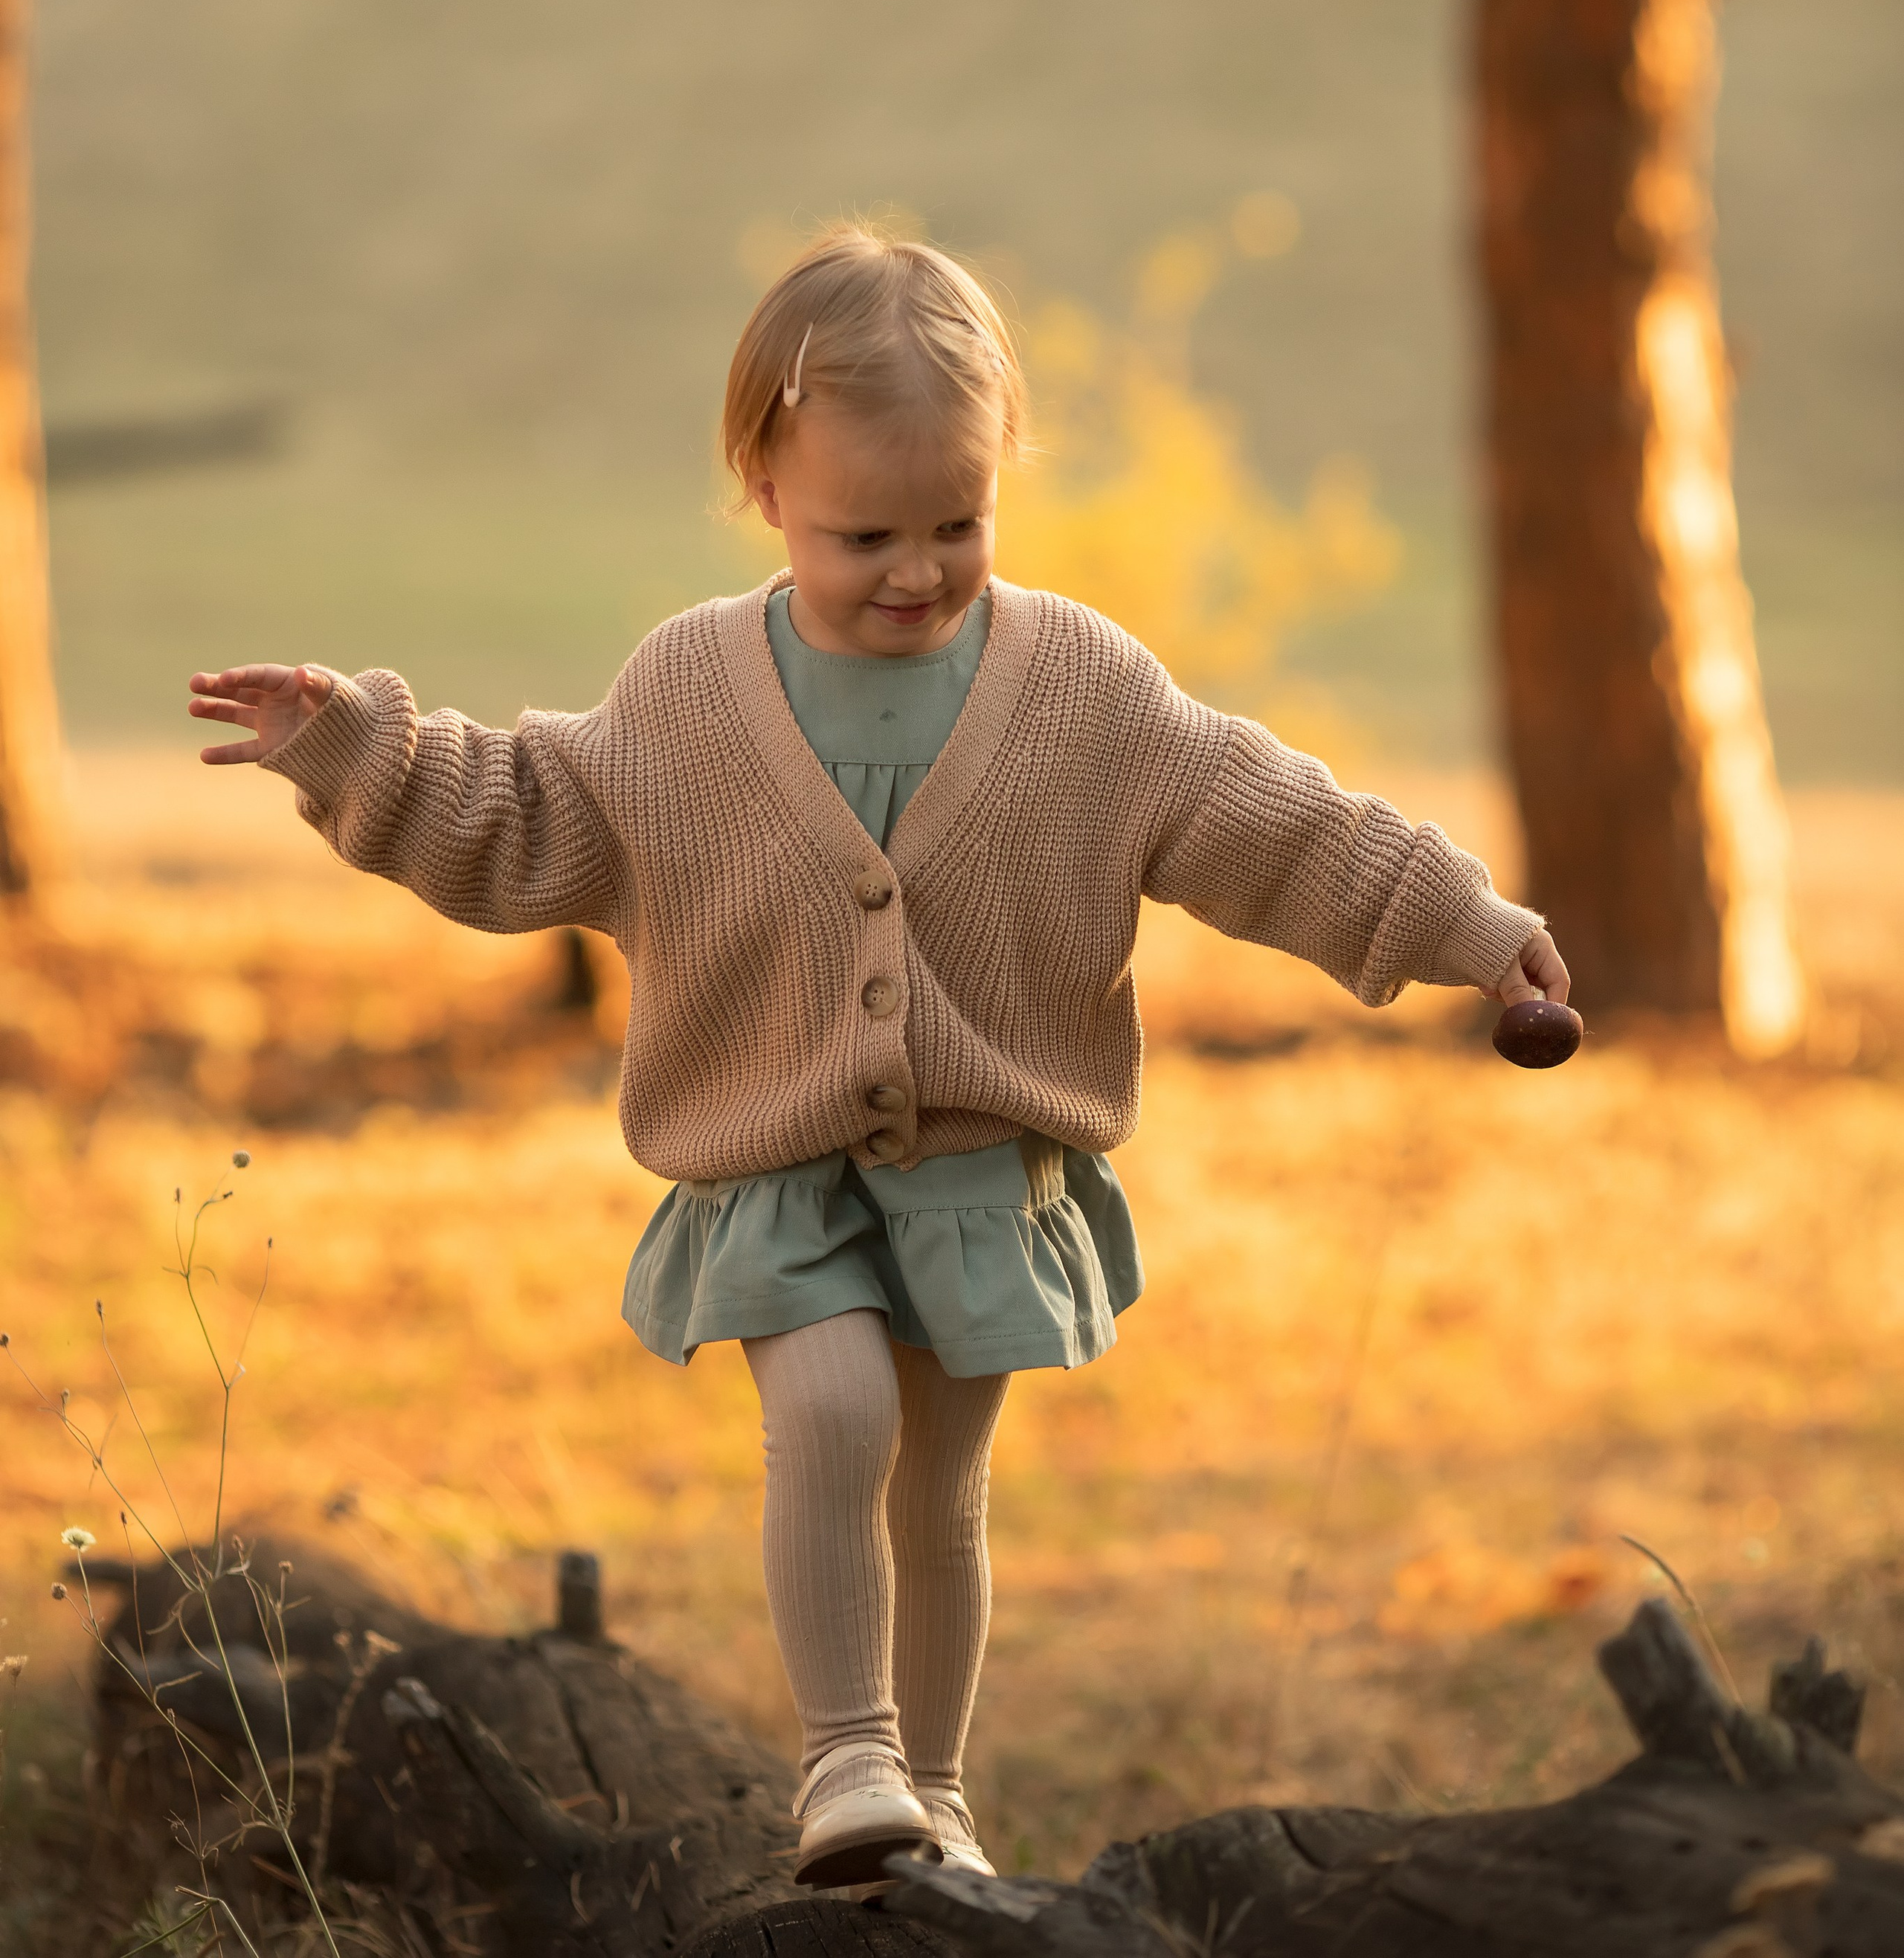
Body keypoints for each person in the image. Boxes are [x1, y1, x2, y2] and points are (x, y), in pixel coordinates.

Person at [188, 223, 1569, 1890]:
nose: (914, 568)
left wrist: (1469, 929)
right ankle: (845, 1759)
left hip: (979, 1169)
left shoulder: (1082, 693)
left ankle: (939, 1790)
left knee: (943, 1492)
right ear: (763, 482)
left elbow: (1269, 824)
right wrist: (351, 749)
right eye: (864, 533)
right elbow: (529, 816)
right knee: (830, 1406)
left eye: (956, 524)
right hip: (770, 1153)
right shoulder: (691, 693)